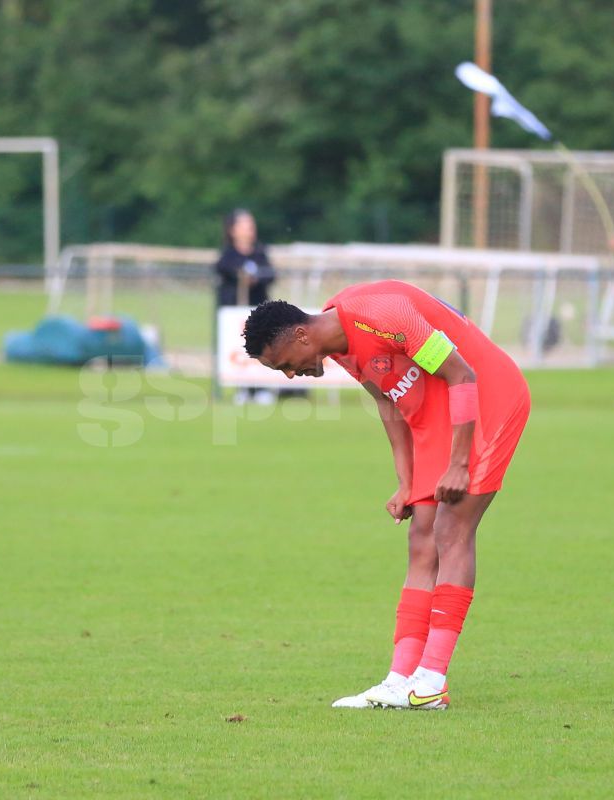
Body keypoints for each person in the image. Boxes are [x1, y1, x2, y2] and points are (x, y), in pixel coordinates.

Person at [242, 280, 530, 710]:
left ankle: (431, 681)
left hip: (487, 397)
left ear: (301, 335)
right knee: (421, 541)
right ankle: (400, 679)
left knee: (452, 529)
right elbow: (387, 402)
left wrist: (458, 464)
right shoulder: (338, 344)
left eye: (285, 364)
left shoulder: (382, 317)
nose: (289, 375)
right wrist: (406, 481)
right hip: (437, 411)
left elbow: (462, 374)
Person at [215, 209, 277, 405]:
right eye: (244, 226)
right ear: (233, 230)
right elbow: (224, 272)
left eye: (251, 225)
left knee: (261, 348)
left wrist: (256, 279)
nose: (250, 230)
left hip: (258, 310)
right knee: (239, 348)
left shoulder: (260, 253)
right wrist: (241, 278)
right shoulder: (228, 255)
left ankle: (261, 388)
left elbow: (270, 274)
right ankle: (242, 388)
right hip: (236, 312)